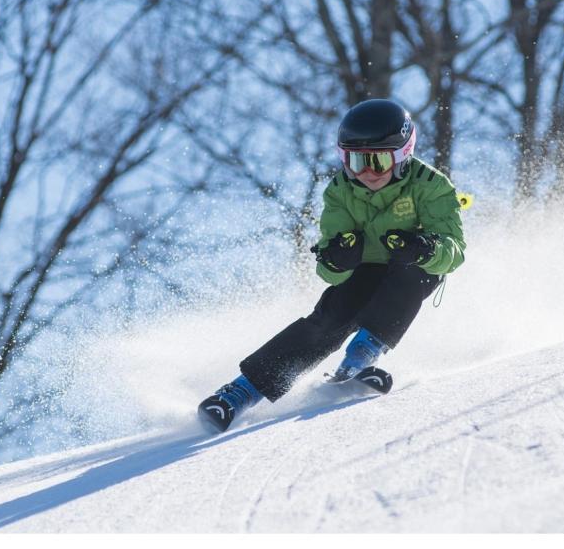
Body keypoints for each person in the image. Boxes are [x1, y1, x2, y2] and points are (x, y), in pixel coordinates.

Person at [197, 98, 466, 432]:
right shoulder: (340, 191)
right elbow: (328, 268)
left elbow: (454, 251)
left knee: (413, 276)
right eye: (354, 161)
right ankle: (240, 392)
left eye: (378, 161)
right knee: (330, 317)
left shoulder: (431, 185)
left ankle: (361, 357)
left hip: (411, 266)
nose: (366, 173)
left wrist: (424, 248)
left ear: (402, 156)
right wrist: (337, 259)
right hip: (365, 269)